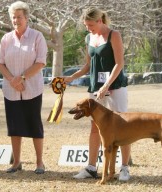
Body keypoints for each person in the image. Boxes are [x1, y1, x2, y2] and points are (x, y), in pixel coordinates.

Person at [64, 7, 131, 181]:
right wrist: (71, 77)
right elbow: (88, 65)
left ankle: (124, 168)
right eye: (86, 25)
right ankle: (91, 168)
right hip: (95, 87)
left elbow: (119, 64)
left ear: (100, 21)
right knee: (95, 128)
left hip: (115, 86)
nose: (88, 28)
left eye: (90, 25)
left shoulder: (114, 35)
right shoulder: (88, 38)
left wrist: (107, 85)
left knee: (123, 126)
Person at [0, 1, 48, 174]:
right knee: (14, 127)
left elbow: (40, 62)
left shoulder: (37, 36)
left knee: (34, 126)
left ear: (26, 18)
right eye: (13, 17)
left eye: (19, 17)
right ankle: (16, 162)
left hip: (32, 89)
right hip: (10, 91)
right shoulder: (6, 39)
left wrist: (22, 77)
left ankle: (39, 163)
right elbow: (0, 63)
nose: (16, 20)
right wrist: (12, 80)